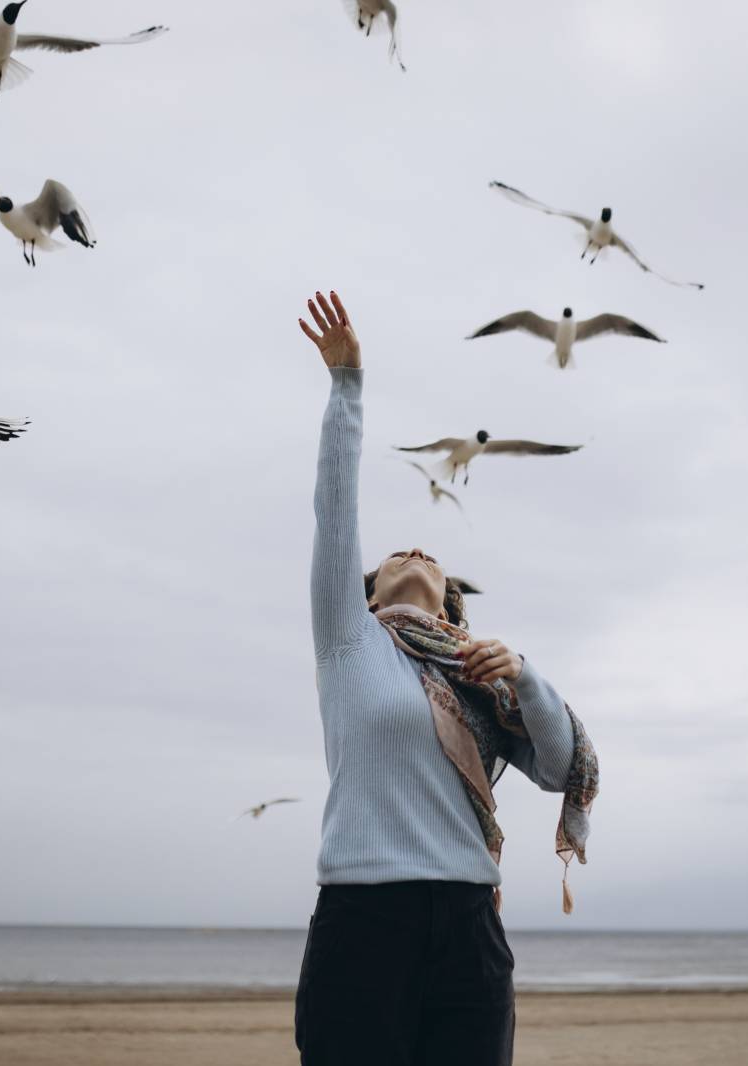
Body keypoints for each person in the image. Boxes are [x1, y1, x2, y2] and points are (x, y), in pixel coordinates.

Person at [294, 291, 598, 1066]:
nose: (418, 549)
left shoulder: (479, 676)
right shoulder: (349, 644)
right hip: (365, 920)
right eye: (399, 552)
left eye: (431, 555)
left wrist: (527, 678)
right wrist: (348, 387)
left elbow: (560, 768)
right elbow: (335, 513)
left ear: (454, 604)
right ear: (366, 594)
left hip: (469, 922)